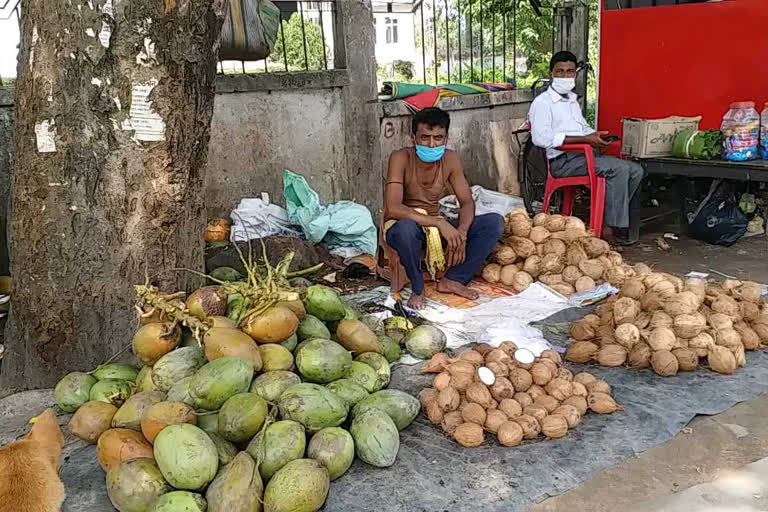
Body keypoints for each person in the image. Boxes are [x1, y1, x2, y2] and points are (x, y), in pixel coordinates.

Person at [384, 107, 504, 310]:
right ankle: (418, 288)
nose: (432, 144)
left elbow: (466, 202)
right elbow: (393, 208)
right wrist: (439, 222)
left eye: (438, 138)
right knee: (405, 229)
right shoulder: (400, 158)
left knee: (494, 223)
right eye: (425, 138)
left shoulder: (451, 159)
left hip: (434, 227)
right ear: (413, 138)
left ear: (446, 139)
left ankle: (453, 279)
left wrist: (463, 232)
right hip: (404, 225)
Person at [529, 50, 645, 243]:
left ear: (575, 74)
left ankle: (611, 218)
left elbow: (583, 129)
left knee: (635, 170)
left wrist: (595, 136)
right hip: (562, 162)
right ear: (551, 75)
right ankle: (608, 230)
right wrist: (583, 141)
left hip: (583, 156)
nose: (565, 76)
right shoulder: (542, 103)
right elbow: (540, 138)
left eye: (570, 71)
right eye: (560, 71)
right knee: (619, 170)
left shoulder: (572, 101)